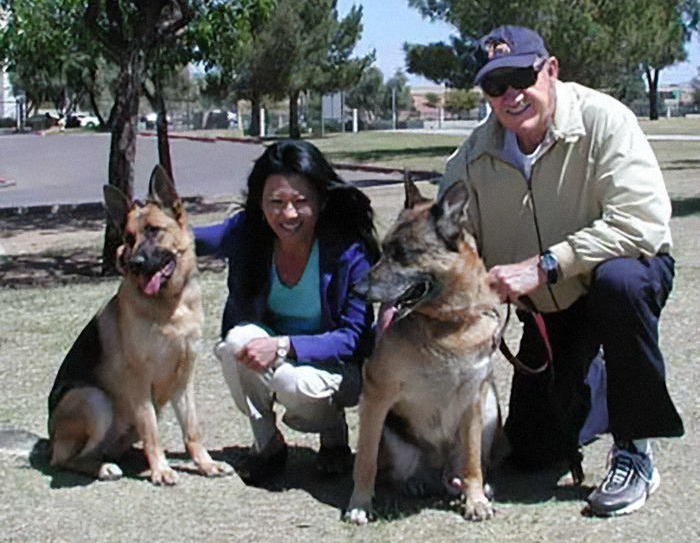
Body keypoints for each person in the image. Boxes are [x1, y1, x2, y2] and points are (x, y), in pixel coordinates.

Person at [439, 26, 684, 517]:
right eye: (494, 85)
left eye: (520, 77)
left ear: (549, 70)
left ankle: (635, 451)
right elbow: (448, 240)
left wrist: (547, 264)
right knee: (530, 453)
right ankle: (594, 384)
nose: (510, 95)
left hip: (615, 280)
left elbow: (641, 223)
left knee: (621, 284)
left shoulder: (605, 120)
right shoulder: (471, 157)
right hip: (550, 311)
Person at [194, 139, 379, 484]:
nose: (288, 214)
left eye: (300, 202)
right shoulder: (248, 232)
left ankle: (334, 436)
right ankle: (268, 445)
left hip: (338, 369)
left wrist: (282, 346)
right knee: (237, 342)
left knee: (291, 382)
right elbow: (189, 239)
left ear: (322, 201)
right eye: (275, 203)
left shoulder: (349, 250)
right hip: (282, 360)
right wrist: (139, 241)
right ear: (260, 204)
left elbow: (353, 339)